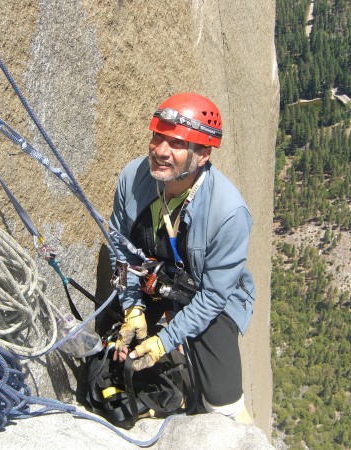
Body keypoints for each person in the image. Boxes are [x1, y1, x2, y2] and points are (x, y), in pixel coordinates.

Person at [109, 92, 256, 424]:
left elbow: (215, 294)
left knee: (222, 396)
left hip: (202, 293)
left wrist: (164, 342)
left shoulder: (228, 213)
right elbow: (120, 249)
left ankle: (232, 423)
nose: (161, 151)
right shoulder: (133, 179)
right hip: (151, 278)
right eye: (157, 136)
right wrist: (132, 307)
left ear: (202, 154)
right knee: (116, 335)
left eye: (175, 143)